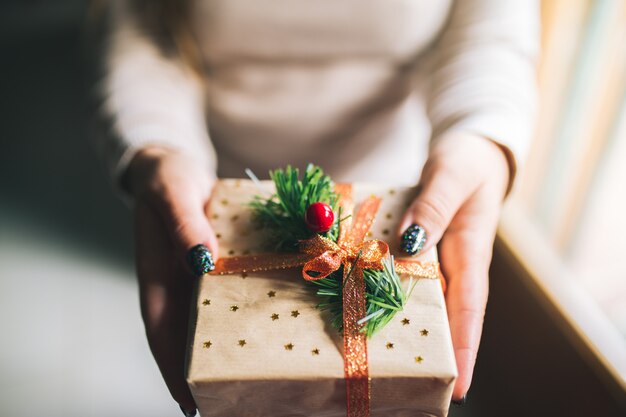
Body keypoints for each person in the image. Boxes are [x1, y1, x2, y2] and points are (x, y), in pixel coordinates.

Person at [99, 0, 538, 415]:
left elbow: (492, 32)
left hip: (394, 202)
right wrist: (158, 142)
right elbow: (142, 22)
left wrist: (482, 137)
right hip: (221, 201)